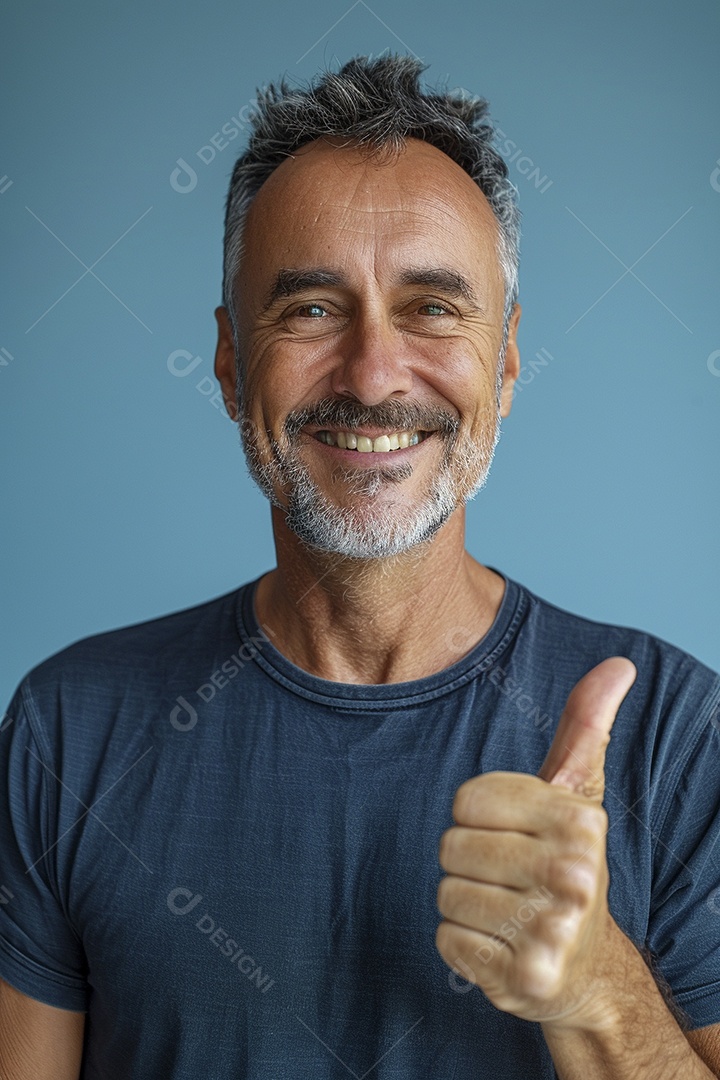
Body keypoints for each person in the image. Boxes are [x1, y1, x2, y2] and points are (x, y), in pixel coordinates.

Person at [1, 54, 719, 1080]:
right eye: (309, 310)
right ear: (226, 361)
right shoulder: (65, 730)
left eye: (432, 308)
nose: (374, 374)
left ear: (506, 363)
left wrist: (595, 989)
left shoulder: (681, 742)